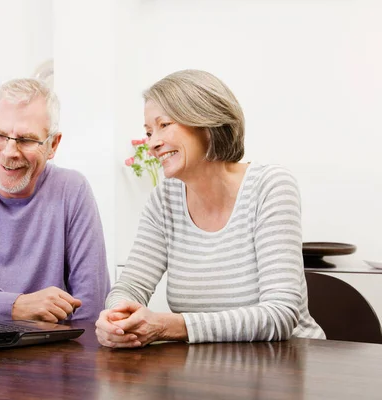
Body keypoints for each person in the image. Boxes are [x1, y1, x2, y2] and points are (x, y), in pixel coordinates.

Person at [96, 69, 325, 346]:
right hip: (207, 370)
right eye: (148, 131)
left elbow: (280, 314)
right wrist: (119, 318)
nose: (153, 143)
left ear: (205, 121)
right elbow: (130, 286)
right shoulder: (165, 199)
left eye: (164, 125)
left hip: (289, 365)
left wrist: (171, 325)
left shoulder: (269, 186)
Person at [0, 78, 110, 322]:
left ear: (53, 145)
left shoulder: (72, 190)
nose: (9, 152)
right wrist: (14, 305)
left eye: (26, 140)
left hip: (52, 352)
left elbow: (90, 307)